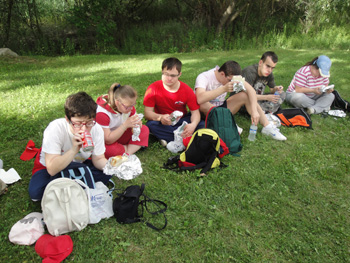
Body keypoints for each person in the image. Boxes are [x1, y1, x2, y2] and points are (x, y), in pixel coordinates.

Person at [28, 92, 112, 201]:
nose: (84, 129)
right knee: (36, 192)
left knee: (107, 173)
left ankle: (70, 184)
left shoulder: (96, 129)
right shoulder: (56, 128)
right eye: (77, 124)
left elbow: (99, 159)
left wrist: (112, 166)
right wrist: (73, 149)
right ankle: (78, 183)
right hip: (51, 168)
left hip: (78, 165)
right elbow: (52, 169)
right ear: (67, 119)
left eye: (89, 123)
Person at [194, 60, 287, 141]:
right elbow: (199, 98)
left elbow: (250, 90)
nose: (232, 82)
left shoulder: (232, 76)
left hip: (221, 108)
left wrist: (254, 111)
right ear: (222, 74)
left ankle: (267, 126)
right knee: (202, 103)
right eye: (230, 80)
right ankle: (227, 122)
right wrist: (223, 89)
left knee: (245, 95)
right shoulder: (204, 77)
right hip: (205, 112)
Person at [143, 57, 204, 146]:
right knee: (150, 125)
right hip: (163, 122)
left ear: (179, 74)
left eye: (172, 75)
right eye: (165, 74)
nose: (169, 78)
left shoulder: (186, 90)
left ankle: (169, 138)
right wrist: (160, 117)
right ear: (162, 72)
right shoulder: (153, 88)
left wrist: (193, 125)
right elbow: (147, 113)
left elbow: (195, 113)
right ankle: (186, 138)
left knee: (202, 123)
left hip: (181, 121)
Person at [95, 83, 149, 158]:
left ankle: (127, 153)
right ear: (117, 102)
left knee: (144, 129)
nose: (131, 108)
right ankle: (132, 147)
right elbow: (107, 140)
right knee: (107, 150)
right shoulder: (102, 113)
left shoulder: (128, 106)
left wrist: (137, 124)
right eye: (128, 107)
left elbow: (135, 124)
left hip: (119, 135)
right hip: (105, 139)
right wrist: (125, 125)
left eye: (133, 105)